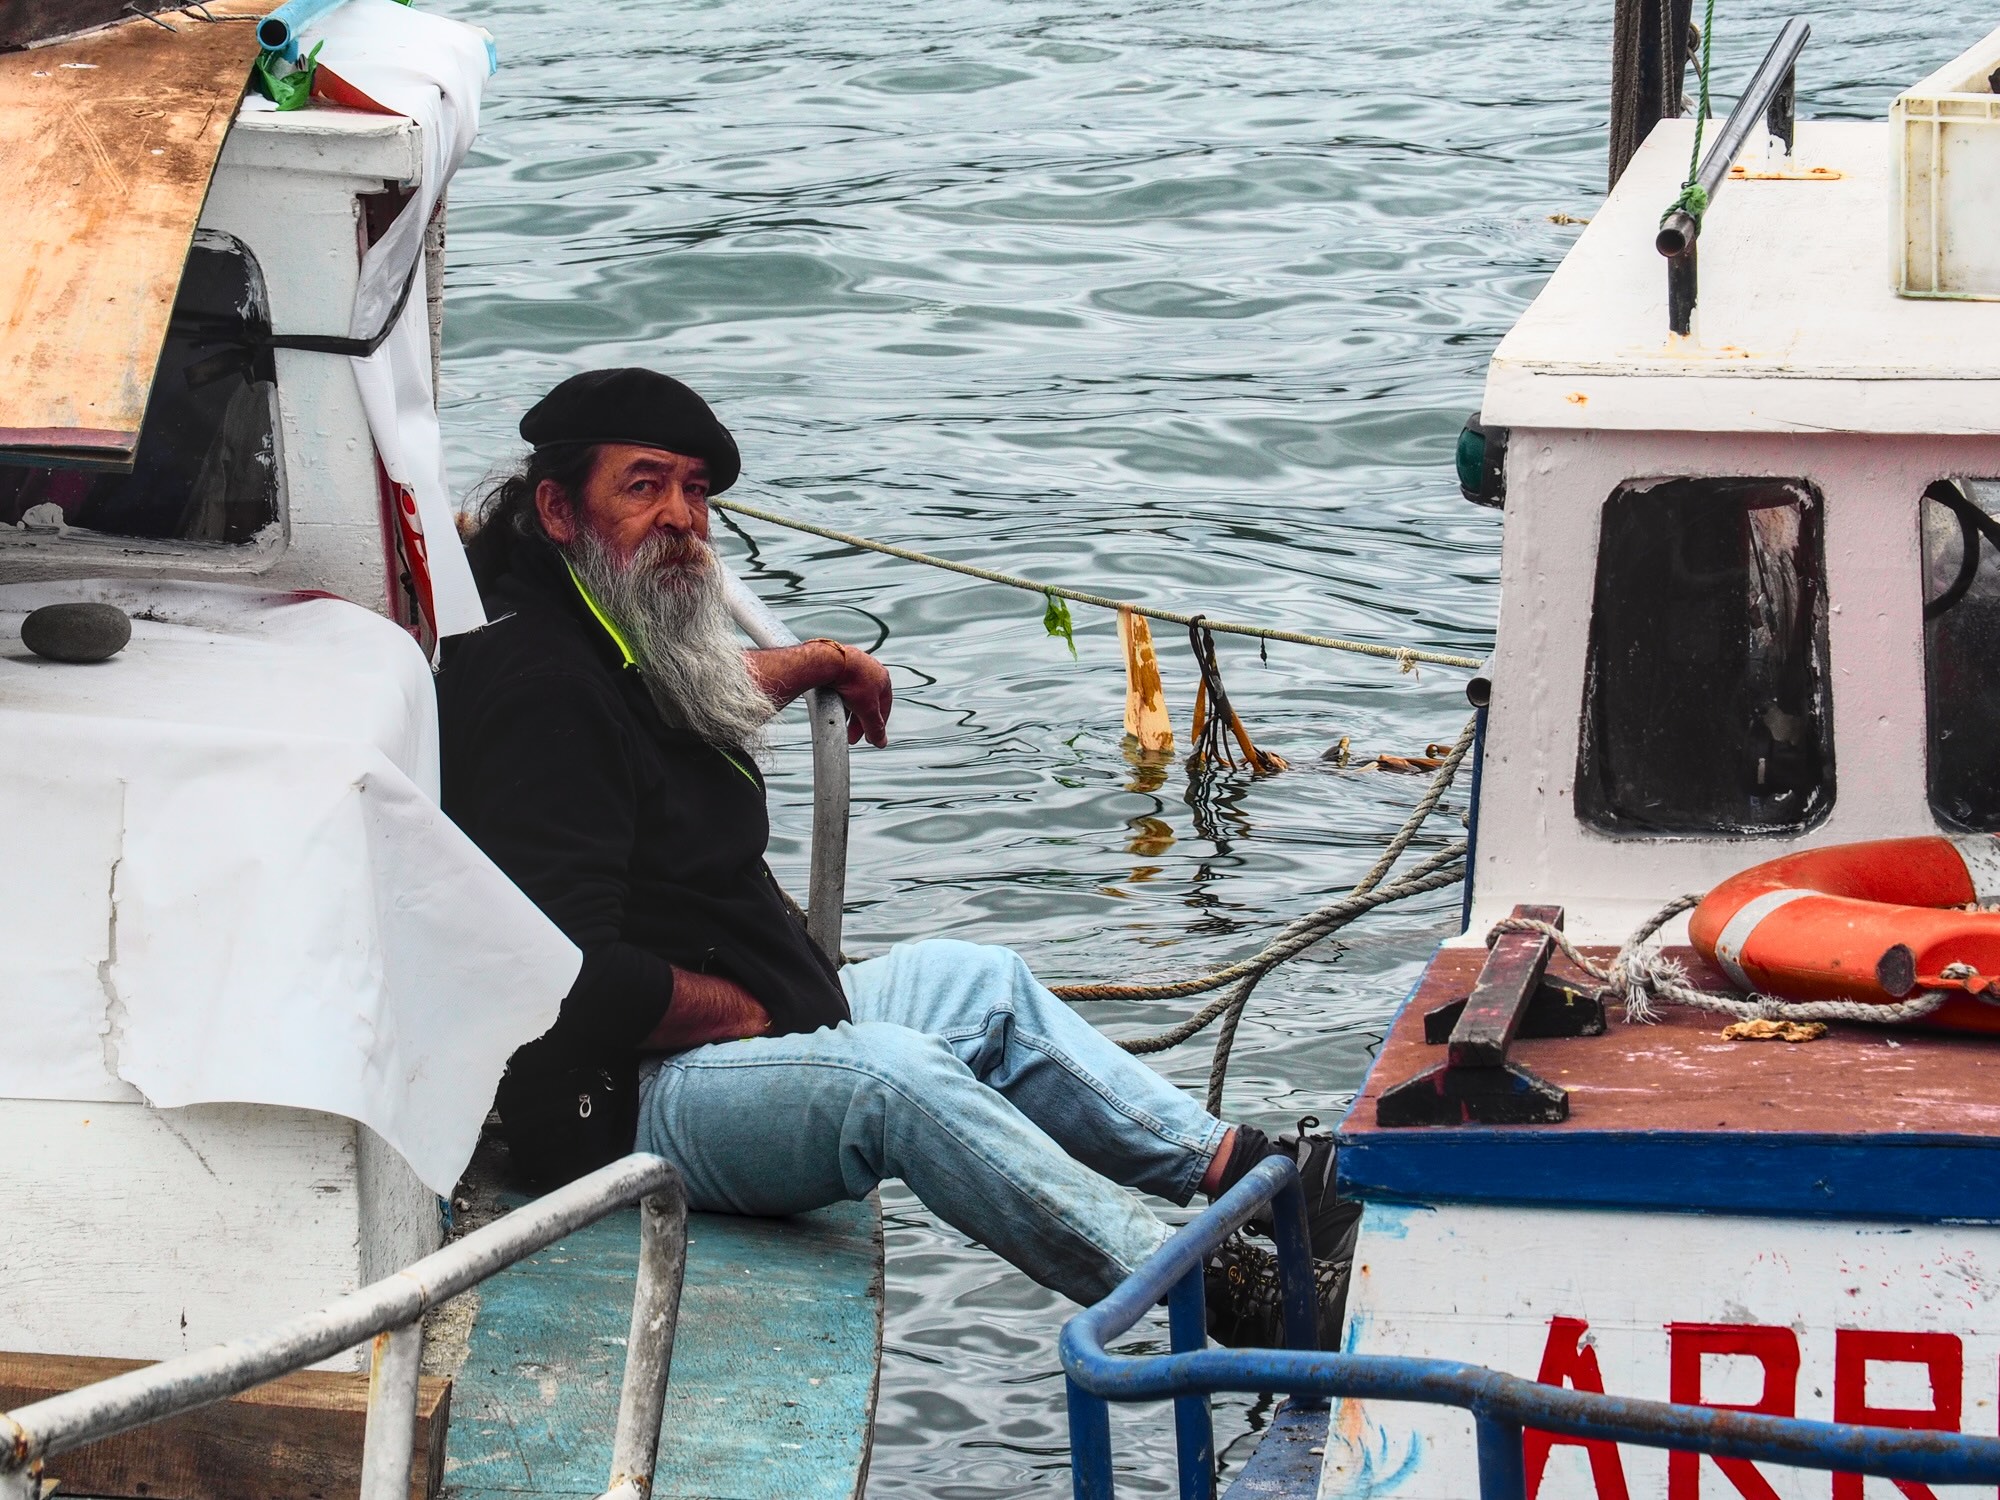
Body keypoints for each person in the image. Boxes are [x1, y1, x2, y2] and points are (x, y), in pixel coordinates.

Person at [440, 367, 1360, 1347]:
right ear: (556, 507)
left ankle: (1267, 1181)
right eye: (643, 484)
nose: (680, 517)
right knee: (891, 1079)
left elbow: (670, 696)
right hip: (612, 1105)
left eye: (696, 490)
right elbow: (567, 983)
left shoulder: (595, 626)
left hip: (733, 1020)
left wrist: (813, 661)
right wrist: (754, 1012)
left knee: (976, 986)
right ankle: (1218, 1292)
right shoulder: (540, 688)